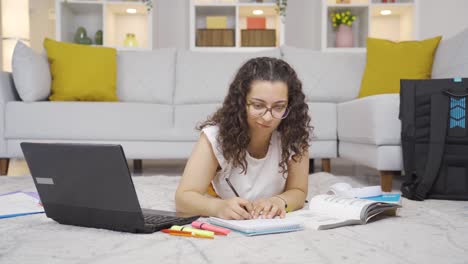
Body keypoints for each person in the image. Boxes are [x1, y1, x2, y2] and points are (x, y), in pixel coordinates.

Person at [175, 57, 311, 220]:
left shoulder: (294, 133)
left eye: (279, 107)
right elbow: (183, 198)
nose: (268, 117)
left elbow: (299, 190)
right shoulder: (214, 136)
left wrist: (280, 201)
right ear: (241, 102)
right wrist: (218, 207)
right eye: (258, 105)